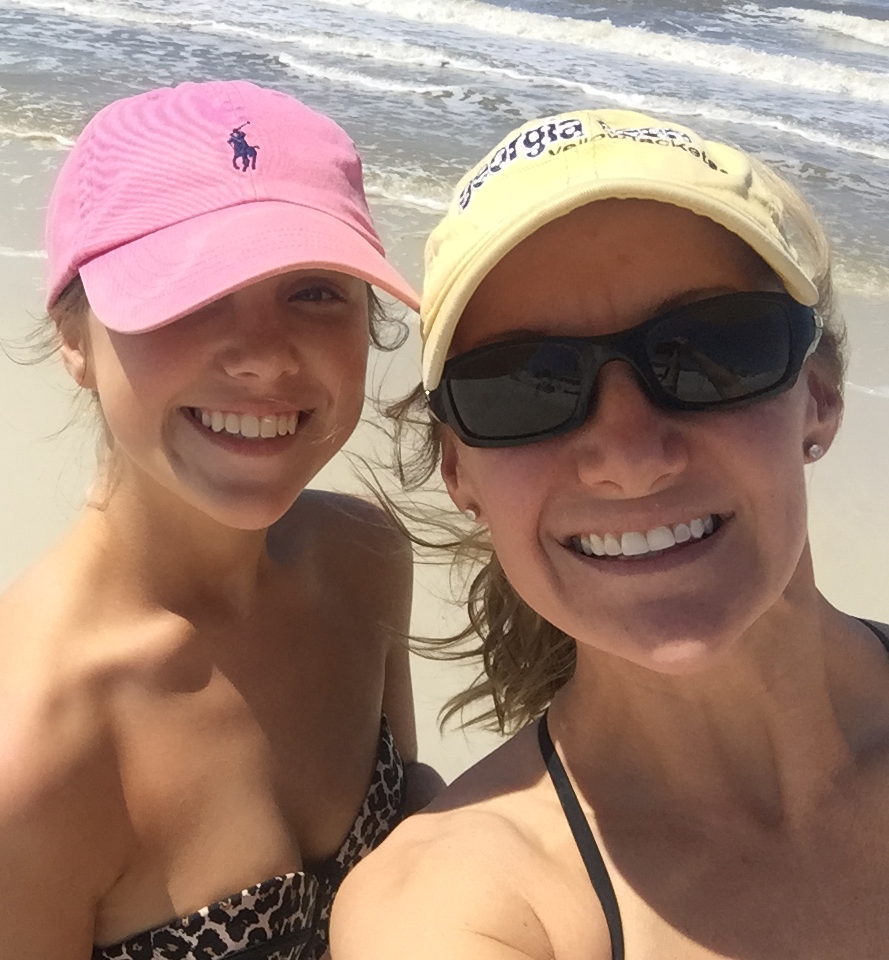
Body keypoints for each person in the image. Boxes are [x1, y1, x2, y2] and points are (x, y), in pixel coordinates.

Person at [330, 109, 889, 959]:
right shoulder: (464, 912)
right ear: (459, 472)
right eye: (524, 385)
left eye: (708, 352)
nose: (629, 459)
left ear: (817, 395)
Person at [0, 80, 440, 960]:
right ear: (73, 334)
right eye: (193, 291)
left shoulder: (365, 557)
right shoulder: (23, 759)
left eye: (313, 291)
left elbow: (406, 865)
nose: (264, 358)